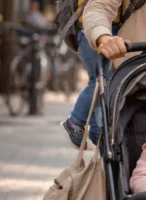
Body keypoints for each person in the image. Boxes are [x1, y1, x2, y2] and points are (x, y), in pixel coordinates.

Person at [59, 0, 124, 150]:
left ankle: (96, 132)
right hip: (91, 29)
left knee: (103, 82)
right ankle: (74, 121)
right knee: (101, 80)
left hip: (109, 27)